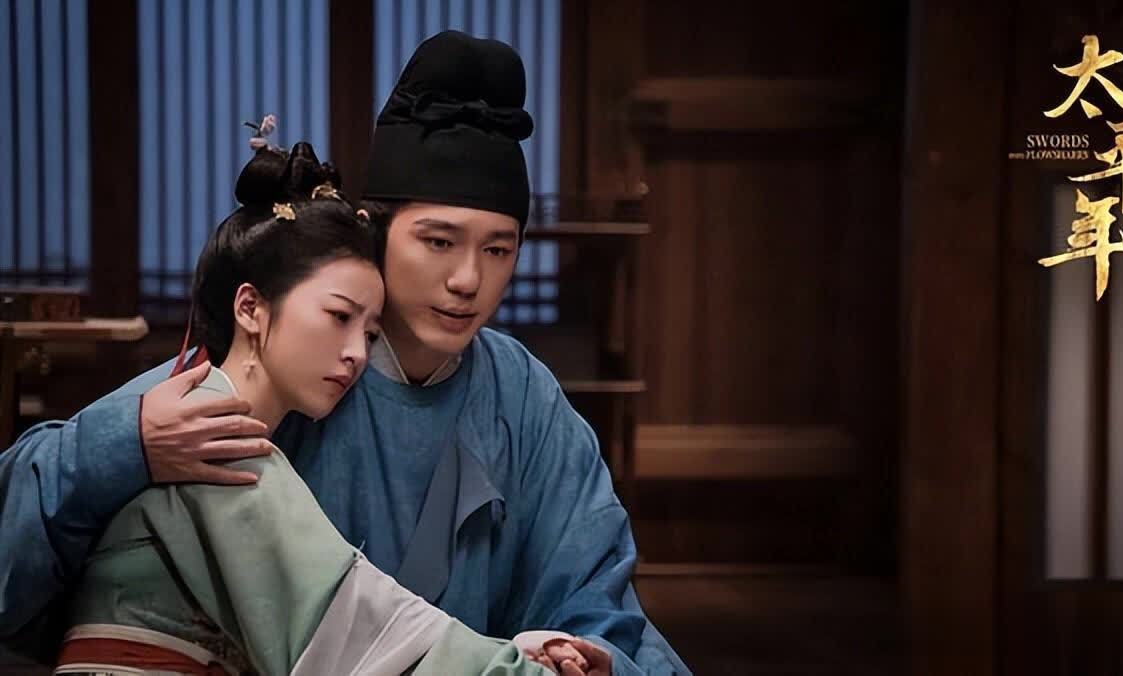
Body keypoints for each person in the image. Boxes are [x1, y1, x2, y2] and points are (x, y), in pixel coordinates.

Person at [0, 30, 689, 676]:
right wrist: (130, 443)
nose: (468, 279)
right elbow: (31, 503)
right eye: (438, 241)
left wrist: (591, 655)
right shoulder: (295, 360)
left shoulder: (522, 395)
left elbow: (595, 593)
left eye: (498, 250)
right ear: (374, 230)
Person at [54, 140, 558, 676]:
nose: (357, 353)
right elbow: (352, 624)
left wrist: (519, 650)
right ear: (250, 307)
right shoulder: (206, 432)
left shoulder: (211, 419)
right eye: (338, 317)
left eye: (370, 333)